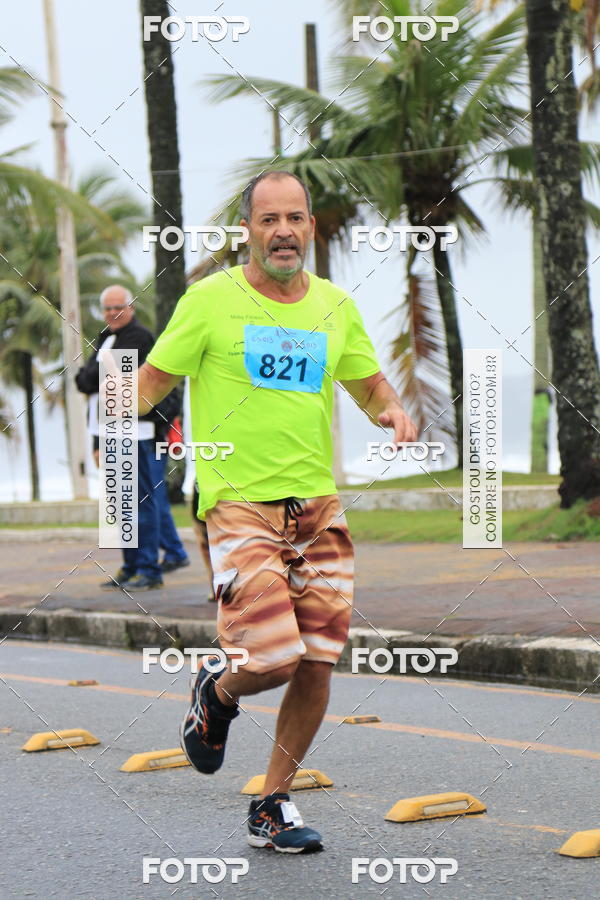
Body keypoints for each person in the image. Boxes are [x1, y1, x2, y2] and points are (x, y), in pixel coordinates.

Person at [136, 171, 417, 853]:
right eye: (269, 220)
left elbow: (367, 380)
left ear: (311, 229)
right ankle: (218, 693)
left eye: (295, 219)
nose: (283, 231)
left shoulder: (334, 305)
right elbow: (147, 384)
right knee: (274, 657)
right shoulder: (208, 302)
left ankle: (272, 804)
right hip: (237, 505)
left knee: (318, 660)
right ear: (248, 232)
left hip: (317, 506)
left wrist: (390, 407)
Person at [75, 285, 188, 590]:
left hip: (141, 434)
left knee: (144, 503)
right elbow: (84, 381)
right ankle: (130, 565)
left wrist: (98, 377)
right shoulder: (105, 337)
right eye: (108, 309)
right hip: (111, 431)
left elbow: (115, 383)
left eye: (118, 307)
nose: (112, 313)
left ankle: (150, 570)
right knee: (121, 505)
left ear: (131, 308)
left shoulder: (139, 338)